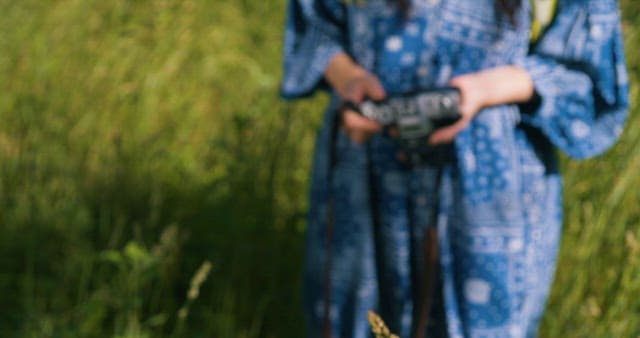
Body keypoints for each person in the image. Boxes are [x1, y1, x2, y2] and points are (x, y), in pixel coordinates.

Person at [280, 0, 629, 337]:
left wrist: (481, 91)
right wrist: (350, 80)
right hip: (364, 173)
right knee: (358, 319)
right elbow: (315, 24)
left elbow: (588, 70)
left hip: (488, 188)